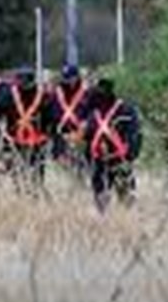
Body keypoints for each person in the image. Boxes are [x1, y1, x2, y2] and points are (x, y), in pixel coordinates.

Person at [85, 78, 142, 212]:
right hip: (99, 162)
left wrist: (130, 156)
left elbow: (135, 135)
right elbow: (88, 138)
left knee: (127, 200)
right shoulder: (93, 113)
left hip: (121, 161)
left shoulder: (126, 110)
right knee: (100, 200)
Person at [6, 67, 55, 184]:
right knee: (21, 177)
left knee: (35, 177)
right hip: (18, 141)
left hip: (36, 141)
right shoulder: (11, 95)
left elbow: (49, 119)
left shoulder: (43, 96)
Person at [51, 64, 91, 171]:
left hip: (81, 131)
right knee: (61, 159)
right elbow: (53, 112)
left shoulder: (86, 92)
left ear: (77, 78)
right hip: (62, 131)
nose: (68, 83)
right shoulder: (57, 92)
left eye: (71, 79)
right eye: (66, 79)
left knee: (84, 160)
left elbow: (92, 112)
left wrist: (86, 123)